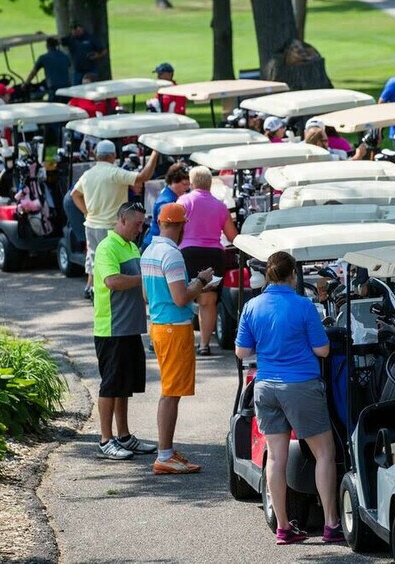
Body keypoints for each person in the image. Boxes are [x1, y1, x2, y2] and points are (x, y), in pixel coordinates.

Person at [234, 251, 342, 545]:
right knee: (324, 454)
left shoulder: (252, 306)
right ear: (293, 274)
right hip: (300, 385)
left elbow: (242, 352)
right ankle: (332, 523)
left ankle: (283, 526)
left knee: (276, 457)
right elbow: (323, 350)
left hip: (266, 385)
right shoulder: (303, 305)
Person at [141, 203, 215, 474]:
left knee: (171, 392)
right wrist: (201, 281)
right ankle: (164, 455)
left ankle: (167, 451)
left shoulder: (149, 251)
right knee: (171, 394)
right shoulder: (171, 255)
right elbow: (181, 297)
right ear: (180, 226)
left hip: (161, 326)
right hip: (174, 328)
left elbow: (147, 297)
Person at [92, 201, 158, 460]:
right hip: (111, 329)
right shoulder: (107, 247)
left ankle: (124, 436)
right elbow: (112, 281)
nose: (140, 229)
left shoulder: (131, 246)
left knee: (124, 385)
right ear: (122, 220)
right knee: (110, 385)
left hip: (129, 327)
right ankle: (105, 440)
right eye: (137, 224)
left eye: (142, 224)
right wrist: (145, 278)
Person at [71, 140, 158, 299]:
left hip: (91, 224)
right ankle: (105, 291)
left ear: (97, 155)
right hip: (110, 226)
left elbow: (74, 195)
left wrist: (86, 212)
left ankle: (92, 287)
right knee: (112, 260)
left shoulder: (87, 174)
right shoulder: (115, 173)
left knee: (94, 257)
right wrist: (155, 152)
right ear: (113, 155)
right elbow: (143, 176)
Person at [176, 167, 238, 355]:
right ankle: (204, 345)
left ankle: (181, 342)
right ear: (210, 183)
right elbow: (232, 235)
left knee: (182, 296)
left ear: (192, 182)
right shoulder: (220, 206)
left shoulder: (183, 201)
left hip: (187, 253)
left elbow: (175, 230)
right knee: (208, 301)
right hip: (213, 255)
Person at [141, 162, 190, 249]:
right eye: (184, 184)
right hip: (155, 246)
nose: (187, 188)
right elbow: (166, 229)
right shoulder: (167, 202)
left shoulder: (168, 192)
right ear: (173, 181)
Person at [24, 37, 72, 101]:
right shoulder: (65, 56)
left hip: (54, 87)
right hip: (67, 86)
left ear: (47, 46)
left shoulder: (43, 58)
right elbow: (69, 65)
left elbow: (33, 72)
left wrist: (26, 84)